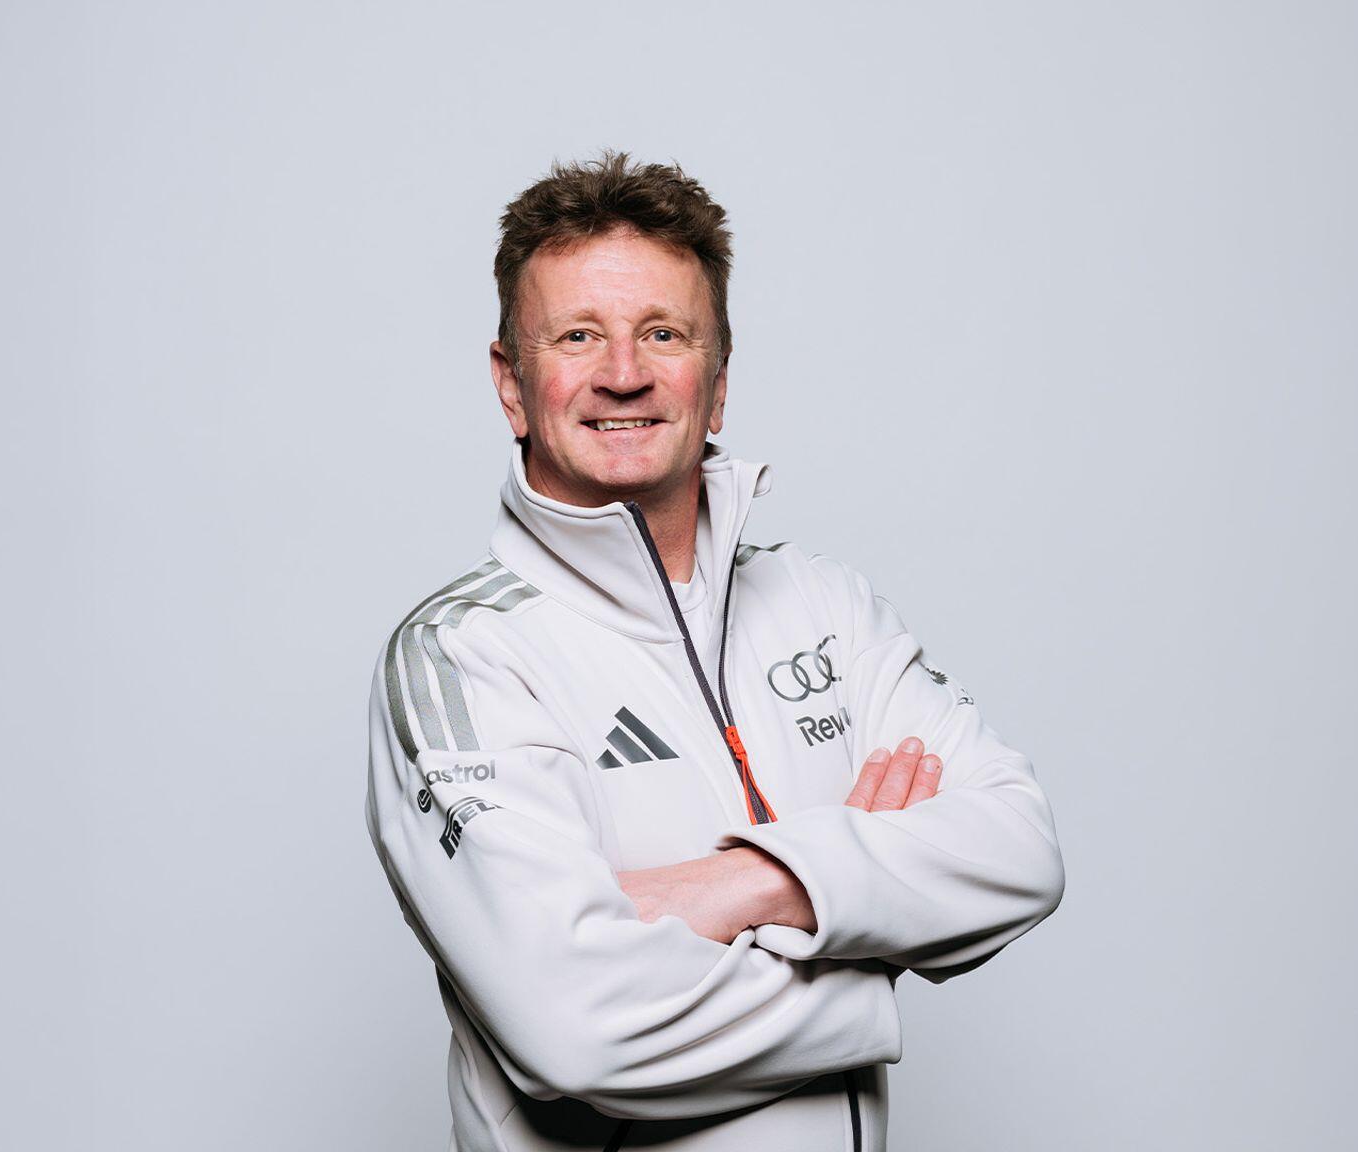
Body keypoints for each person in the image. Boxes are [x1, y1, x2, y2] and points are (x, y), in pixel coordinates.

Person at [365, 152, 1065, 1152]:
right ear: (511, 385)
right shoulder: (463, 658)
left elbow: (1019, 849)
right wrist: (867, 948)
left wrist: (747, 884)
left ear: (719, 383)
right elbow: (574, 1026)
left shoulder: (824, 606)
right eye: (577, 335)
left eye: (664, 332)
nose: (623, 372)